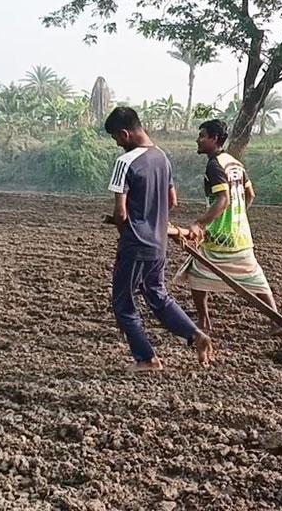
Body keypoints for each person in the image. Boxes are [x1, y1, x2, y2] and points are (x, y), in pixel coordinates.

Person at [104, 107, 213, 373]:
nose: (117, 144)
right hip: (158, 244)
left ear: (125, 133)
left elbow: (121, 212)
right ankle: (195, 335)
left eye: (116, 138)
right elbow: (172, 201)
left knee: (122, 302)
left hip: (135, 243)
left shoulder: (125, 162)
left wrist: (126, 229)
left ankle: (146, 359)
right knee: (158, 295)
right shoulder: (162, 157)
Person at [177, 119, 282, 336]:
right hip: (241, 236)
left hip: (219, 237)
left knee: (196, 273)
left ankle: (204, 322)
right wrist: (238, 218)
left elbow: (223, 200)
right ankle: (276, 322)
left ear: (214, 139)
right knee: (255, 277)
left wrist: (200, 223)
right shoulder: (234, 163)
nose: (198, 140)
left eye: (202, 136)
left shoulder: (214, 165)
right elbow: (250, 195)